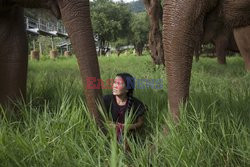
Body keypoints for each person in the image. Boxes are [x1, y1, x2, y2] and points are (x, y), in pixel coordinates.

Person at [103, 73, 147, 146]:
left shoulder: (136, 104)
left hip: (129, 137)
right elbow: (99, 117)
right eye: (114, 82)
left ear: (127, 89)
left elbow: (140, 123)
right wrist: (110, 125)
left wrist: (125, 127)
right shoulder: (106, 100)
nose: (115, 86)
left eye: (119, 83)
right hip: (108, 135)